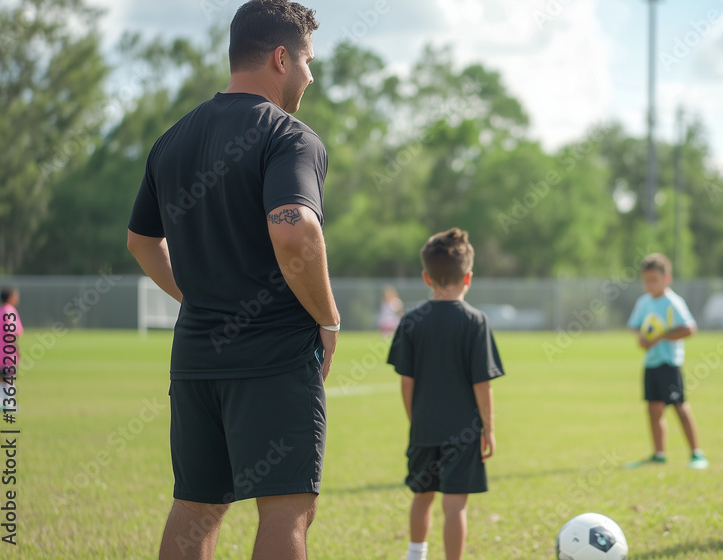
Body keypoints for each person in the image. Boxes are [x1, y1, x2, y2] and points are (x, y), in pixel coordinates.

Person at [126, 2, 340, 558]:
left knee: (197, 508)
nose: (311, 76)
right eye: (308, 62)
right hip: (273, 355)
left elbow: (141, 242)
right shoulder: (289, 136)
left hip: (196, 355)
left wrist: (197, 296)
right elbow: (294, 229)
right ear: (280, 58)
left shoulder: (172, 139)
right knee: (287, 506)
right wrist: (328, 318)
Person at [387, 228, 505, 560]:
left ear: (426, 277)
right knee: (455, 506)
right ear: (468, 278)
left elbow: (405, 382)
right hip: (464, 432)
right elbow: (482, 383)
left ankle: (415, 555)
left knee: (421, 495)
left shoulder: (411, 320)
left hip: (424, 427)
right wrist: (489, 429)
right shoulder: (476, 322)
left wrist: (417, 420)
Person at [626, 254, 707, 470]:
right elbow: (635, 325)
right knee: (653, 409)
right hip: (651, 363)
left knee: (680, 408)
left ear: (666, 278)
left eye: (654, 280)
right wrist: (642, 339)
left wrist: (661, 337)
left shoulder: (673, 302)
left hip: (669, 363)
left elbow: (690, 329)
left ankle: (696, 454)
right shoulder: (643, 302)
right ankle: (658, 454)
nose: (650, 285)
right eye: (646, 280)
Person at [0, 287, 22, 411]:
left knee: (0, 377)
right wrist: (16, 348)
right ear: (10, 297)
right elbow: (12, 332)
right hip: (7, 352)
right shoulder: (9, 311)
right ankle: (9, 403)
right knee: (9, 377)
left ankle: (0, 400)